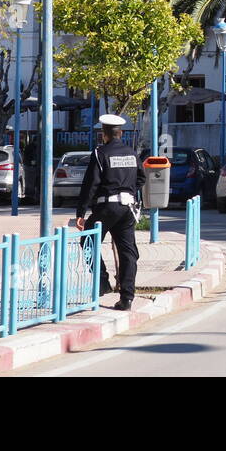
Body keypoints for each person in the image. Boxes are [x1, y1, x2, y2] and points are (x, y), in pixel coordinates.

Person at [76, 113, 141, 311]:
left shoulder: (100, 153)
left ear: (103, 134)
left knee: (88, 240)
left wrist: (81, 212)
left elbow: (91, 184)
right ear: (120, 133)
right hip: (128, 208)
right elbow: (142, 178)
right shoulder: (132, 153)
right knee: (128, 252)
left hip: (106, 207)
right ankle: (127, 298)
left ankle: (102, 282)